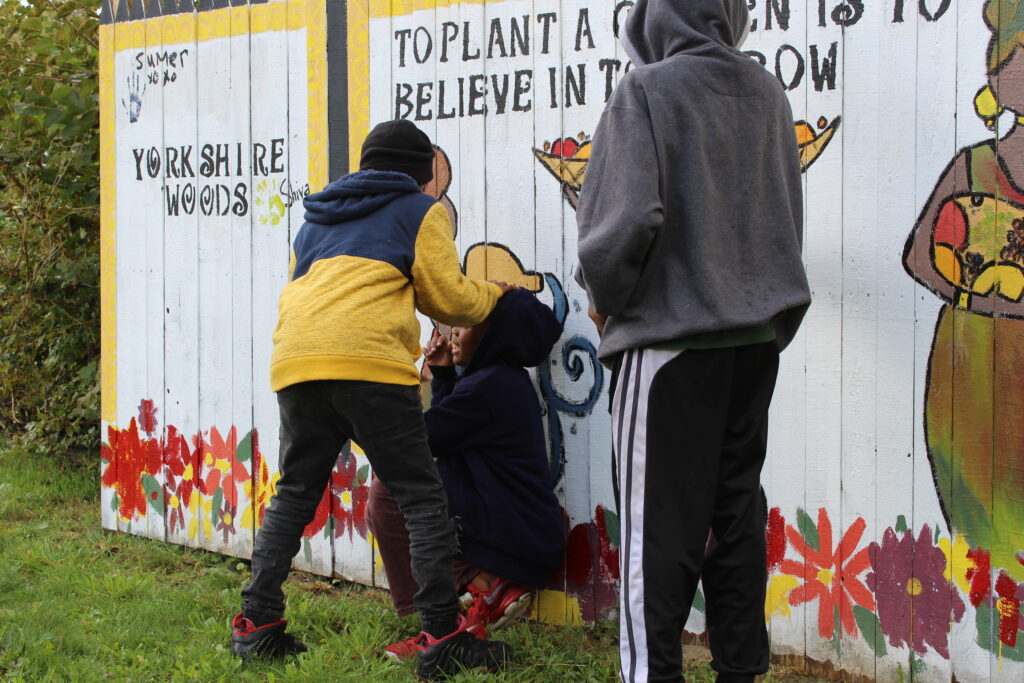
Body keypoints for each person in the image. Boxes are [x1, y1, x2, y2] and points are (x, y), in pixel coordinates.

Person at [574, 1, 811, 681]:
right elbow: (786, 215)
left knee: (656, 533)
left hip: (671, 346)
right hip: (752, 344)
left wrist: (606, 304)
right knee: (735, 516)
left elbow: (621, 226)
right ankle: (740, 671)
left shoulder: (647, 89)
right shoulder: (767, 91)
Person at [231, 119, 513, 680]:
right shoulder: (418, 210)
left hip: (298, 362)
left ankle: (257, 623)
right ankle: (443, 631)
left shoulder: (315, 221)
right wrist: (495, 296)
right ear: (422, 174)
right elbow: (449, 298)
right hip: (368, 365)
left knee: (295, 492)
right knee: (420, 497)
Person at [368, 288, 566, 659]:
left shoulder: (489, 386)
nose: (455, 332)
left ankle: (452, 614)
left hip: (514, 535)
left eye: (467, 323)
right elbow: (445, 440)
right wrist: (444, 376)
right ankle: (469, 600)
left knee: (388, 493)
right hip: (519, 531)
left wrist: (405, 382)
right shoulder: (496, 381)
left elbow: (416, 442)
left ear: (496, 335)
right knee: (404, 485)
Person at [903, 0, 1024, 579]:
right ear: (998, 76)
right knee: (980, 512)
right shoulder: (972, 169)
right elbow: (919, 255)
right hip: (970, 368)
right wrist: (978, 292)